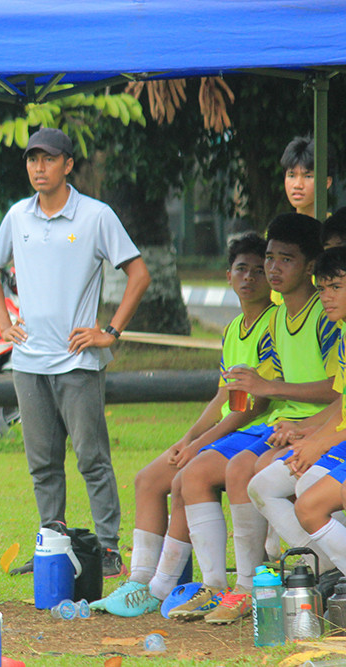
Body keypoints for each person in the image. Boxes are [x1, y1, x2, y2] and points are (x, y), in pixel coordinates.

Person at [0, 127, 151, 577]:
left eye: (49, 159)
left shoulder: (95, 215)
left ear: (68, 165)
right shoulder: (18, 216)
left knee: (92, 459)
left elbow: (139, 274)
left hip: (78, 360)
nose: (39, 167)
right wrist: (4, 323)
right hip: (28, 361)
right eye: (33, 160)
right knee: (42, 464)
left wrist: (110, 331)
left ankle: (108, 549)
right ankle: (53, 549)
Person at [92, 232, 275, 617]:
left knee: (186, 478)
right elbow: (224, 397)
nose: (250, 278)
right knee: (148, 478)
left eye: (259, 270)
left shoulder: (272, 324)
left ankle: (173, 588)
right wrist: (187, 438)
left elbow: (254, 406)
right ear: (228, 276)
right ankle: (139, 581)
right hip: (228, 432)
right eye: (242, 269)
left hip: (255, 432)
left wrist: (199, 445)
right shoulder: (233, 329)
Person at [169, 214, 339, 622]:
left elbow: (336, 389)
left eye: (286, 260)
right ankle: (228, 587)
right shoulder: (277, 319)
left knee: (253, 469)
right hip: (285, 423)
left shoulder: (325, 314)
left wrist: (272, 392)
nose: (272, 269)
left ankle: (302, 575)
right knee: (196, 474)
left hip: (317, 424)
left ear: (311, 266)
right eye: (269, 258)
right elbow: (260, 389)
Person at [248, 245, 346, 579]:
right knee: (263, 486)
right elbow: (342, 405)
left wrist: (320, 444)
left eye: (336, 287)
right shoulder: (344, 334)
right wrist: (309, 435)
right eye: (322, 289)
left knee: (309, 498)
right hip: (339, 441)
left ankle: (326, 572)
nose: (327, 297)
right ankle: (327, 570)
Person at [282, 136, 333, 219]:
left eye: (308, 176)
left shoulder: (337, 230)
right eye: (291, 176)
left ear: (327, 182)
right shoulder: (279, 230)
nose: (297, 185)